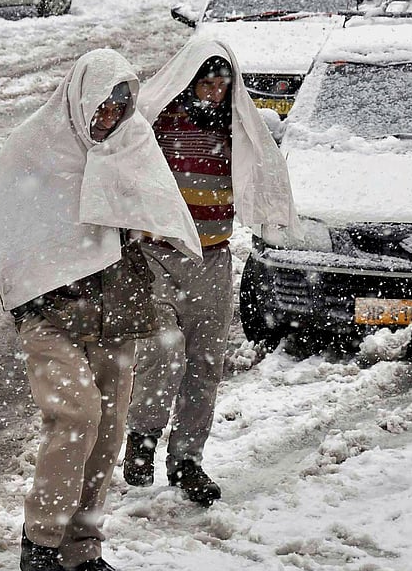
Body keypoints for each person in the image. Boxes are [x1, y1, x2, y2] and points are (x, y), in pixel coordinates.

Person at [0, 50, 202, 571]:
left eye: (123, 105)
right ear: (82, 97)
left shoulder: (131, 144)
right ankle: (42, 538)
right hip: (50, 312)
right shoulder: (37, 147)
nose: (111, 116)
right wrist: (33, 282)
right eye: (104, 104)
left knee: (108, 431)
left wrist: (143, 228)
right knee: (75, 414)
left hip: (117, 309)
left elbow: (157, 208)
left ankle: (83, 548)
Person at [123, 38, 298, 506]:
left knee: (204, 362)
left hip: (213, 258)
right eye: (207, 82)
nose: (215, 92)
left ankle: (186, 460)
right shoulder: (156, 125)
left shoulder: (237, 129)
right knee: (165, 348)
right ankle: (141, 440)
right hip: (156, 254)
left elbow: (262, 172)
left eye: (223, 84)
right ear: (189, 81)